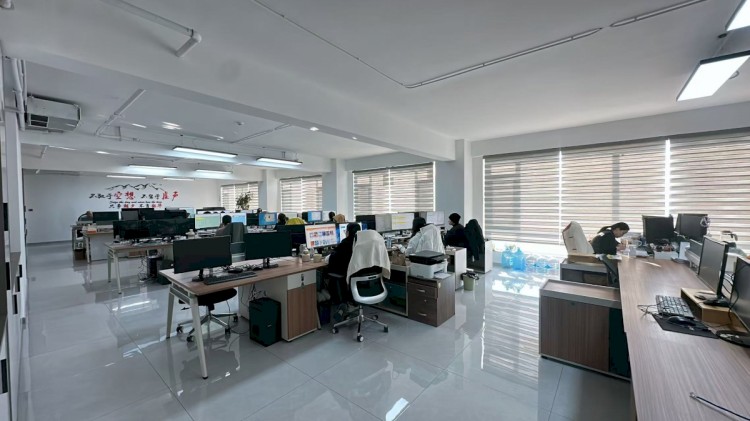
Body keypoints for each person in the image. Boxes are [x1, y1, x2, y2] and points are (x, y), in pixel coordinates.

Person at [326, 222, 361, 304]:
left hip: (347, 274)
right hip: (359, 273)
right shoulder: (362, 242)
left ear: (347, 232)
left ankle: (336, 300)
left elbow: (332, 258)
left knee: (327, 273)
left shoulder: (345, 243)